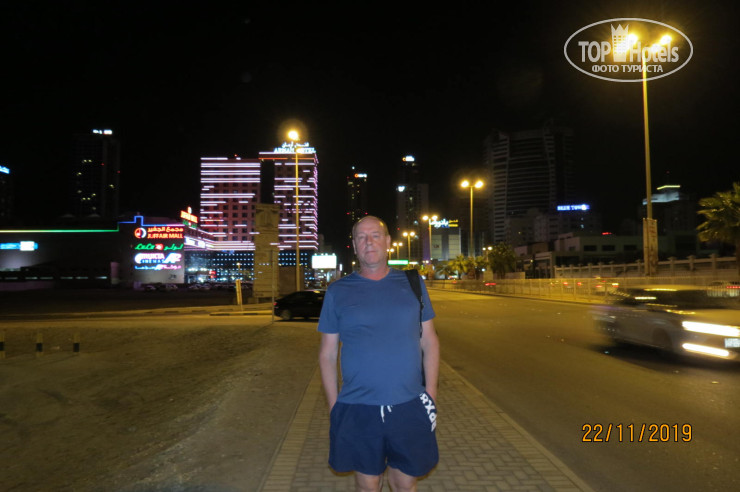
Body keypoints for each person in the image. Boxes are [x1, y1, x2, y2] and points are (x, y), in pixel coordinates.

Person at [318, 215, 440, 492]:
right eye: (361, 237)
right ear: (354, 245)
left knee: (404, 483)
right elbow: (327, 354)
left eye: (375, 235)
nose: (368, 242)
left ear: (387, 242)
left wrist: (431, 395)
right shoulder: (337, 291)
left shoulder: (412, 283)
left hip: (409, 403)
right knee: (368, 484)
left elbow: (430, 341)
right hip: (358, 406)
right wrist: (334, 406)